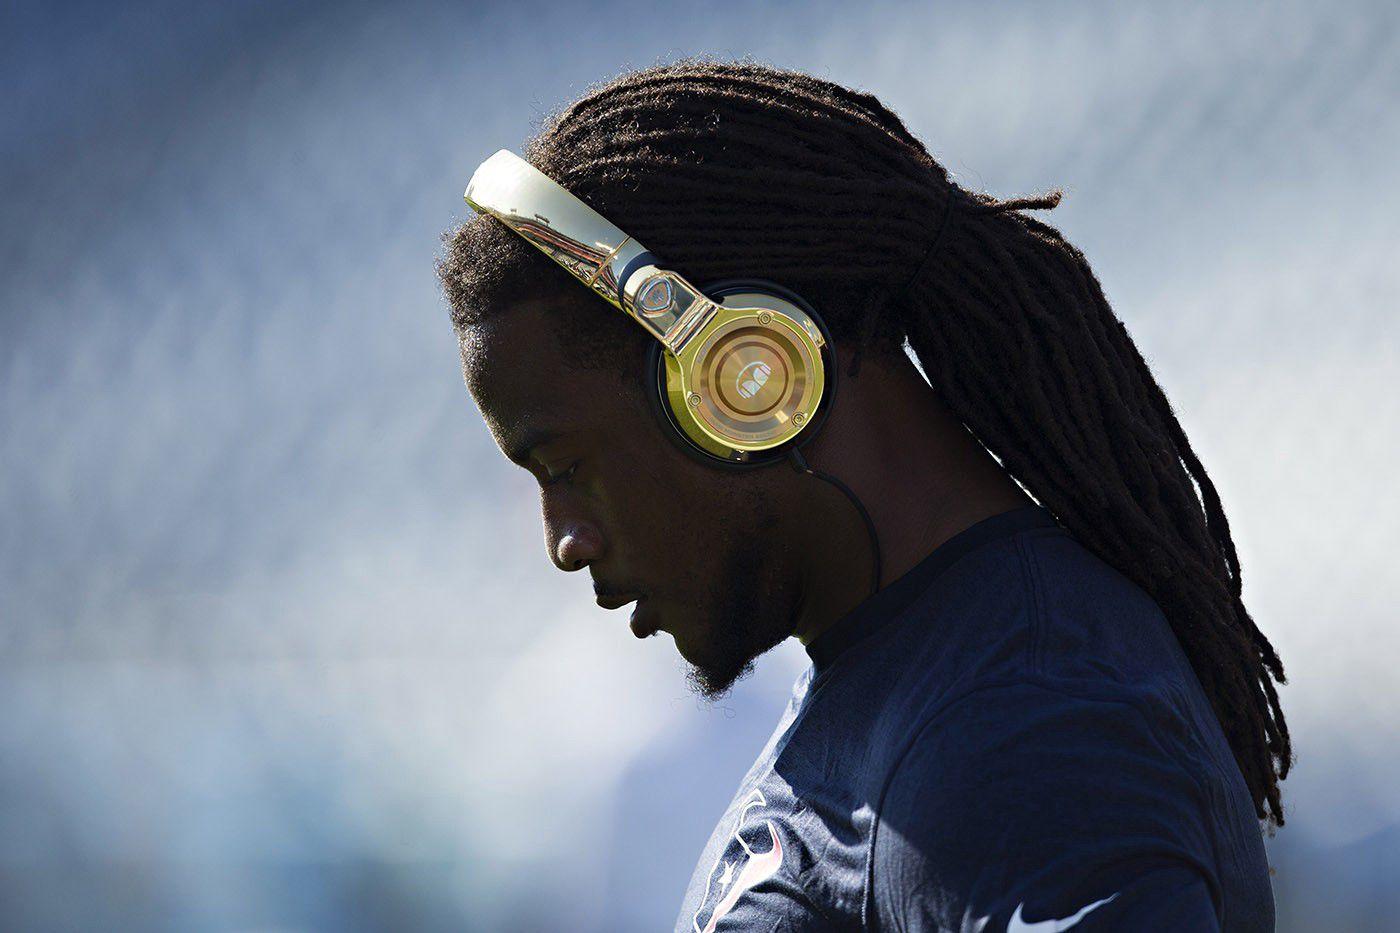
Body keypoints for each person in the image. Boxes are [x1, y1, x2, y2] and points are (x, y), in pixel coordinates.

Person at [437, 60, 1288, 932]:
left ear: (747, 375)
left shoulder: (1032, 719)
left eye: (566, 467)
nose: (563, 540)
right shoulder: (929, 678)